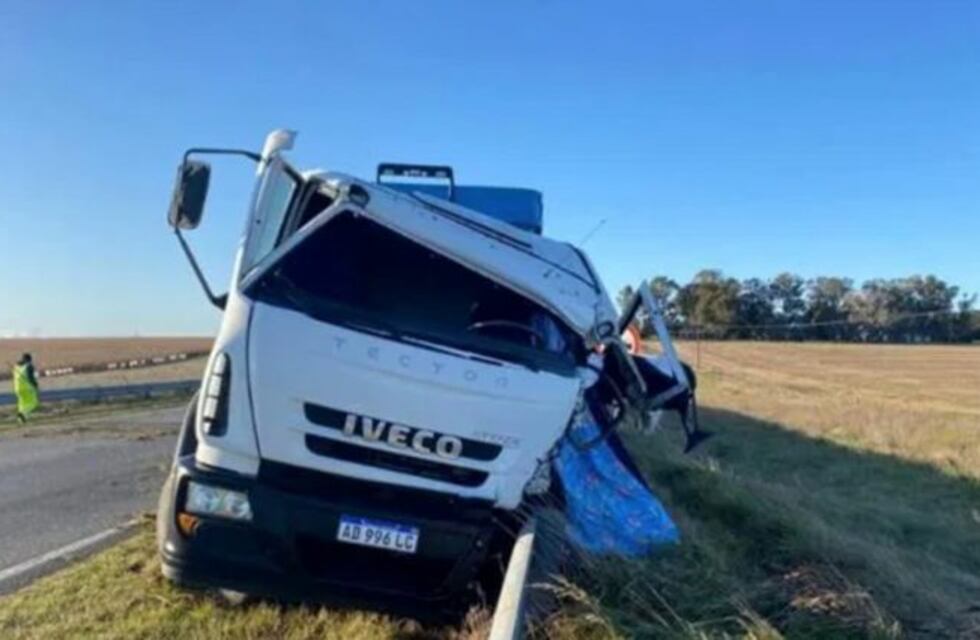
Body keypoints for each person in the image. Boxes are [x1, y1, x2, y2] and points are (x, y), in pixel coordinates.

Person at [12, 353, 40, 423]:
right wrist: (35, 385)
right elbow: (31, 378)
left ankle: (21, 420)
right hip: (27, 388)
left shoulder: (16, 366)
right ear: (29, 359)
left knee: (22, 404)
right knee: (34, 403)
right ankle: (23, 413)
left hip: (17, 388)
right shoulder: (29, 366)